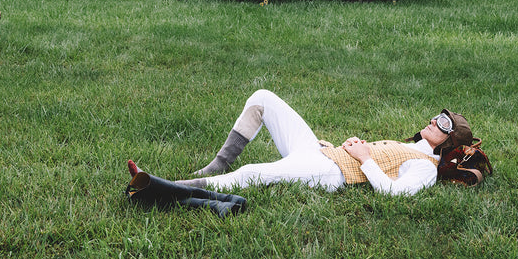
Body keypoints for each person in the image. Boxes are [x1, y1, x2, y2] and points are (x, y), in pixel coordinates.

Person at [173, 89, 476, 196]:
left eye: (444, 124)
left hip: (331, 173)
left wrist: (364, 158)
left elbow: (394, 193)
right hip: (322, 155)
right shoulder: (411, 147)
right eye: (439, 116)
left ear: (448, 143)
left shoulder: (426, 168)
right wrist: (342, 148)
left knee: (253, 172)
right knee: (262, 99)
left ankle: (176, 188)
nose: (435, 121)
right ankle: (218, 164)